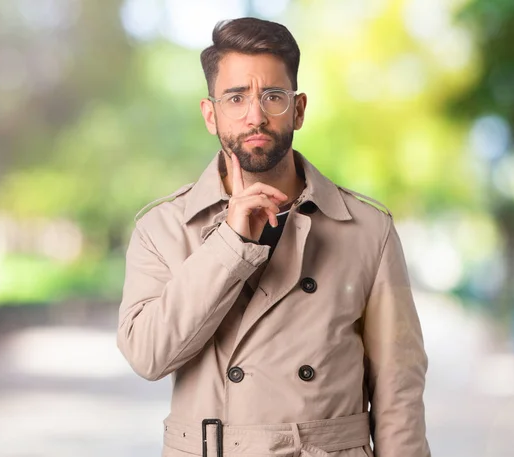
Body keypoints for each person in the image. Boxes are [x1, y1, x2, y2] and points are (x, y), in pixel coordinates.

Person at [117, 17, 430, 457]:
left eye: (273, 96)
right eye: (236, 97)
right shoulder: (163, 228)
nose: (255, 115)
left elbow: (399, 393)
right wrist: (229, 242)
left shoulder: (368, 230)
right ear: (211, 114)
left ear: (298, 109)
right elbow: (148, 355)